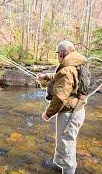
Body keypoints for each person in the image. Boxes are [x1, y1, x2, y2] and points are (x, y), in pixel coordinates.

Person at [37, 40, 87, 174]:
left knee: (66, 147)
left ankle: (68, 170)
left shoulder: (66, 69)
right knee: (66, 143)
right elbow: (63, 77)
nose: (58, 57)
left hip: (69, 114)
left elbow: (59, 97)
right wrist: (46, 76)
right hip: (76, 110)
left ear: (63, 54)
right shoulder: (76, 64)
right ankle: (64, 168)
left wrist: (48, 113)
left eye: (58, 54)